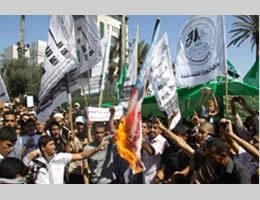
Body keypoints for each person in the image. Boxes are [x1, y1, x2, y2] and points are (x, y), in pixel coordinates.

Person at [23, 135, 108, 184]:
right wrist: (30, 156)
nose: (54, 147)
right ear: (43, 147)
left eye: (54, 144)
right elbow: (23, 165)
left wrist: (96, 149)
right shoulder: (36, 161)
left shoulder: (60, 157)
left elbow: (81, 156)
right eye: (51, 145)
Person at [64, 116, 93, 184]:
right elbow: (67, 152)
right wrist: (69, 140)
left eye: (82, 124)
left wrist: (89, 129)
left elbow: (92, 146)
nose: (80, 126)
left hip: (87, 172)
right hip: (75, 171)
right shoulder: (73, 138)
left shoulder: (89, 136)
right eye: (78, 124)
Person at [142, 118, 168, 184]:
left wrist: (141, 140)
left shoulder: (162, 141)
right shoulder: (146, 138)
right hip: (143, 176)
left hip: (153, 179)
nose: (152, 130)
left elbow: (151, 151)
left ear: (160, 130)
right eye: (150, 127)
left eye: (155, 128)